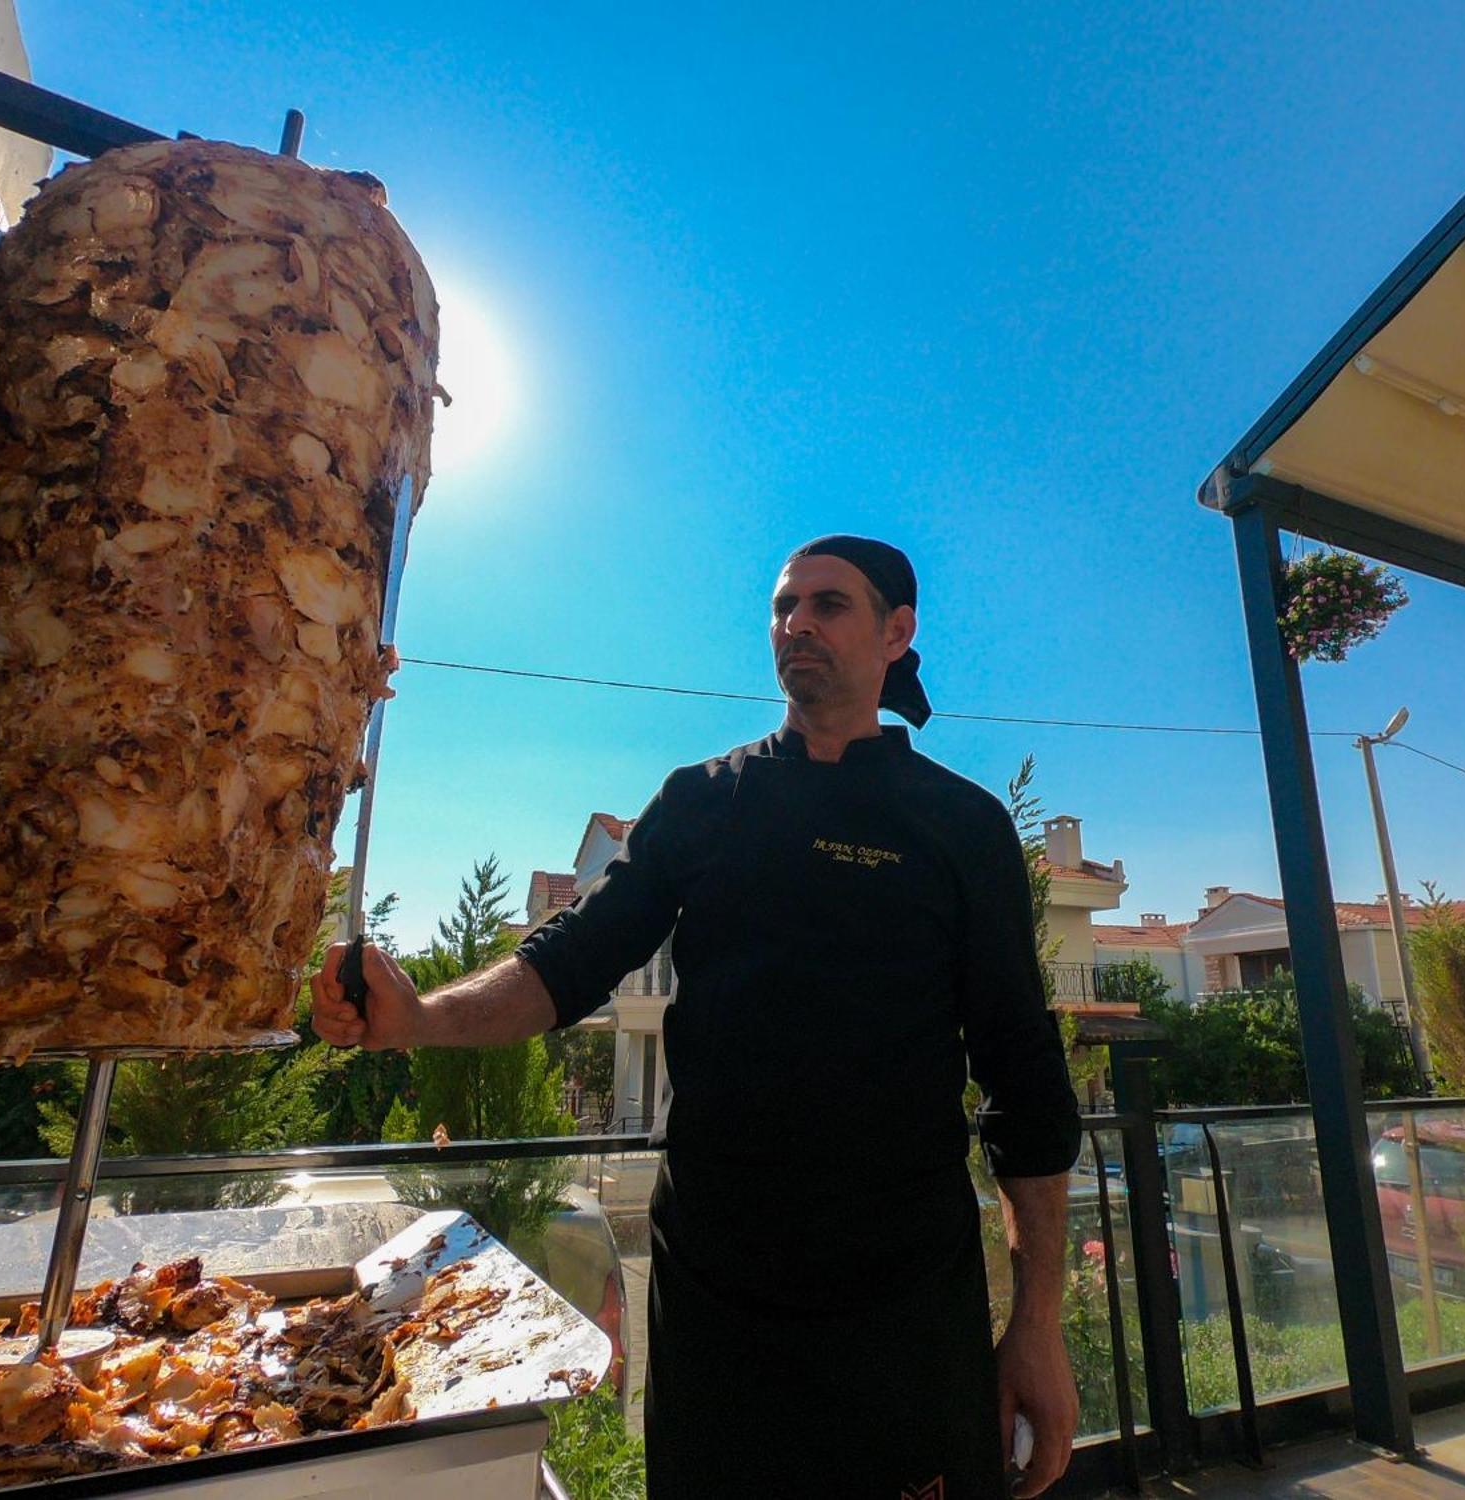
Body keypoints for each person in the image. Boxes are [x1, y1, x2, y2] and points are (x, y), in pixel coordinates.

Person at [312, 535, 1082, 1498]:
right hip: (715, 1295)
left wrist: (1037, 1325)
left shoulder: (960, 826)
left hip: (901, 1300)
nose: (796, 623)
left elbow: (1028, 1085)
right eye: (783, 606)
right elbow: (568, 964)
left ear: (897, 632)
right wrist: (417, 1017)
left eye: (828, 605)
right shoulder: (704, 801)